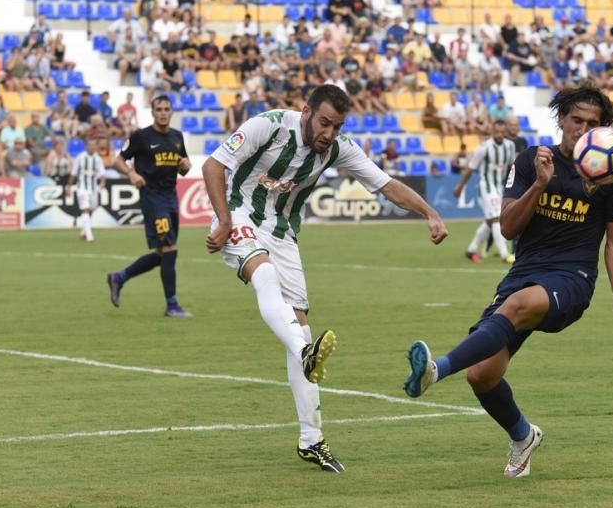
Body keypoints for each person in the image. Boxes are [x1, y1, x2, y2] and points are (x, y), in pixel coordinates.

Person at [402, 84, 613, 478]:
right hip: (524, 273)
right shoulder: (534, 159)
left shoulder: (612, 175)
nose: (582, 129)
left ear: (602, 129)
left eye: (592, 124)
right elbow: (510, 227)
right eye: (576, 120)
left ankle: (435, 369)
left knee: (515, 307)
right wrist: (540, 184)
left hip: (573, 278)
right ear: (562, 119)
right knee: (482, 374)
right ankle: (522, 435)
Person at [202, 85, 449, 473]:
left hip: (282, 233)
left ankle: (311, 440)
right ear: (305, 111)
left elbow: (385, 184)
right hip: (239, 215)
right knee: (263, 275)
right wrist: (225, 220)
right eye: (323, 123)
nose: (328, 134)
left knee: (300, 326)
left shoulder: (338, 147)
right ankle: (305, 353)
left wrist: (430, 212)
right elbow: (213, 166)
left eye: (336, 126)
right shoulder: (267, 126)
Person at [107, 95, 193, 317]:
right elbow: (117, 160)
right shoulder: (141, 137)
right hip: (152, 199)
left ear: (171, 112)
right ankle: (172, 305)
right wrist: (131, 173)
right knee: (170, 250)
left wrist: (186, 165)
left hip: (171, 198)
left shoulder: (176, 137)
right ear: (152, 113)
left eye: (167, 109)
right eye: (159, 109)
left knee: (164, 253)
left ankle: (119, 277)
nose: (163, 112)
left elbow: (183, 167)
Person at [453, 119, 517, 264]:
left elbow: (512, 167)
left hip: (499, 188)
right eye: (497, 132)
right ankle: (505, 255)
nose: (499, 135)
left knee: (489, 222)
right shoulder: (484, 148)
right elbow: (470, 169)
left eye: (502, 132)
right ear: (492, 132)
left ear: (505, 132)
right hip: (486, 187)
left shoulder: (510, 146)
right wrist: (460, 186)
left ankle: (471, 250)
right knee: (497, 218)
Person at [68, 138, 107, 243]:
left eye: (94, 145)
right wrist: (69, 187)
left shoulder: (97, 159)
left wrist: (103, 182)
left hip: (94, 189)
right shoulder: (80, 158)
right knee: (85, 209)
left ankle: (83, 232)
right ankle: (89, 236)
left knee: (91, 210)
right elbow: (73, 173)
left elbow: (102, 173)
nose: (92, 147)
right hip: (82, 188)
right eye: (90, 145)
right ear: (86, 146)